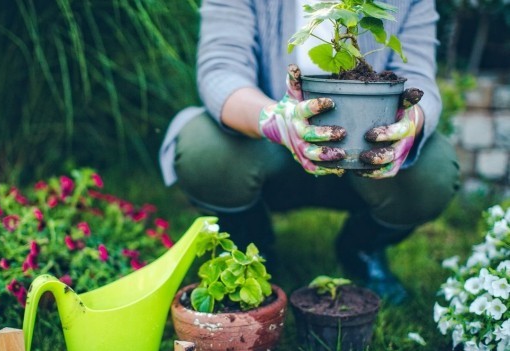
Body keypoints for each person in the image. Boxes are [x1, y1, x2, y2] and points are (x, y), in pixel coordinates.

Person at [159, 0, 460, 304]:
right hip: (266, 147)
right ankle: (250, 240)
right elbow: (221, 70)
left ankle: (362, 246)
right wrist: (276, 120)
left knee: (433, 171)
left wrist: (411, 121)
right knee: (203, 149)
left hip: (366, 149)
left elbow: (417, 74)